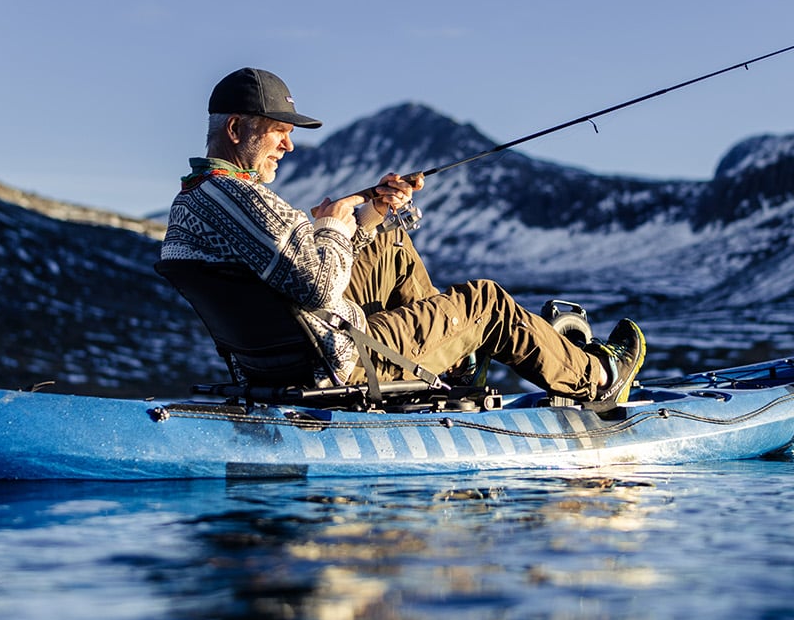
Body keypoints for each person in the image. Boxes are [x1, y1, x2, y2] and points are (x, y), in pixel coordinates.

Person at [159, 67, 646, 405]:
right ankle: (598, 377)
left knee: (387, 242)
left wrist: (371, 210)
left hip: (287, 352)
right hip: (337, 355)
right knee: (487, 303)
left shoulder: (197, 201)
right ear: (237, 127)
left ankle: (457, 362)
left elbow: (290, 272)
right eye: (277, 131)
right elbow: (317, 286)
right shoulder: (241, 199)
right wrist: (329, 224)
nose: (289, 144)